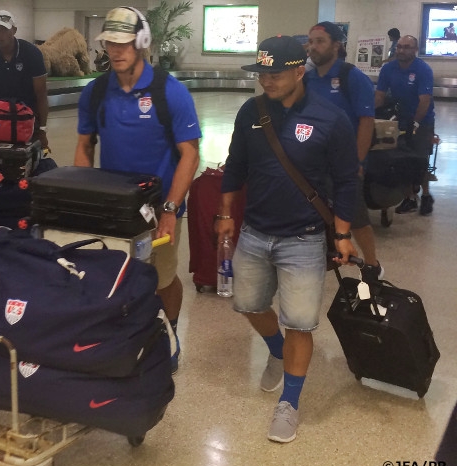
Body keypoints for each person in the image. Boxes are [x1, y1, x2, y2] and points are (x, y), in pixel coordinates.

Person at [215, 35, 358, 443]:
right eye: (261, 73)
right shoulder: (251, 112)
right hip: (255, 233)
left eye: (274, 73)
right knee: (248, 305)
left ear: (300, 71)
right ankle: (275, 350)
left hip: (305, 239)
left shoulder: (331, 119)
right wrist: (225, 213)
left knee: (299, 323)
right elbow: (235, 166)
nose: (266, 81)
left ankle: (289, 404)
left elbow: (348, 182)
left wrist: (344, 234)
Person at [74, 6, 201, 373]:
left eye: (124, 42)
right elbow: (84, 146)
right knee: (112, 274)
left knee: (161, 279)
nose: (116, 50)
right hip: (113, 206)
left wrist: (171, 210)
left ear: (142, 41)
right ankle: (121, 337)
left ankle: (171, 333)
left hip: (159, 207)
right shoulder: (97, 92)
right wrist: (84, 199)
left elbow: (189, 155)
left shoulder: (169, 92)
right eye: (110, 42)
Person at [306, 21, 384, 283]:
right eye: (311, 41)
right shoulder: (307, 79)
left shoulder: (353, 77)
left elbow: (366, 121)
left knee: (356, 216)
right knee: (317, 212)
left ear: (336, 46)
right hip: (315, 161)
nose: (312, 47)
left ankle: (373, 265)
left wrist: (358, 161)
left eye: (320, 41)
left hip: (345, 162)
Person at [375, 35, 435, 216]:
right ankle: (409, 198)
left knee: (420, 159)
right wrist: (369, 115)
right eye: (399, 46)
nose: (401, 50)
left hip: (421, 121)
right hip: (397, 119)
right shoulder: (388, 69)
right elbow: (379, 95)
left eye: (406, 47)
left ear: (415, 50)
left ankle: (425, 195)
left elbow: (424, 101)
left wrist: (414, 124)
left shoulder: (423, 70)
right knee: (401, 159)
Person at [0, 10, 49, 150]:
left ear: (14, 30)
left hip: (27, 118)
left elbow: (41, 94)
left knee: (27, 162)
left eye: (3, 30)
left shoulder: (32, 53)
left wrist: (42, 130)